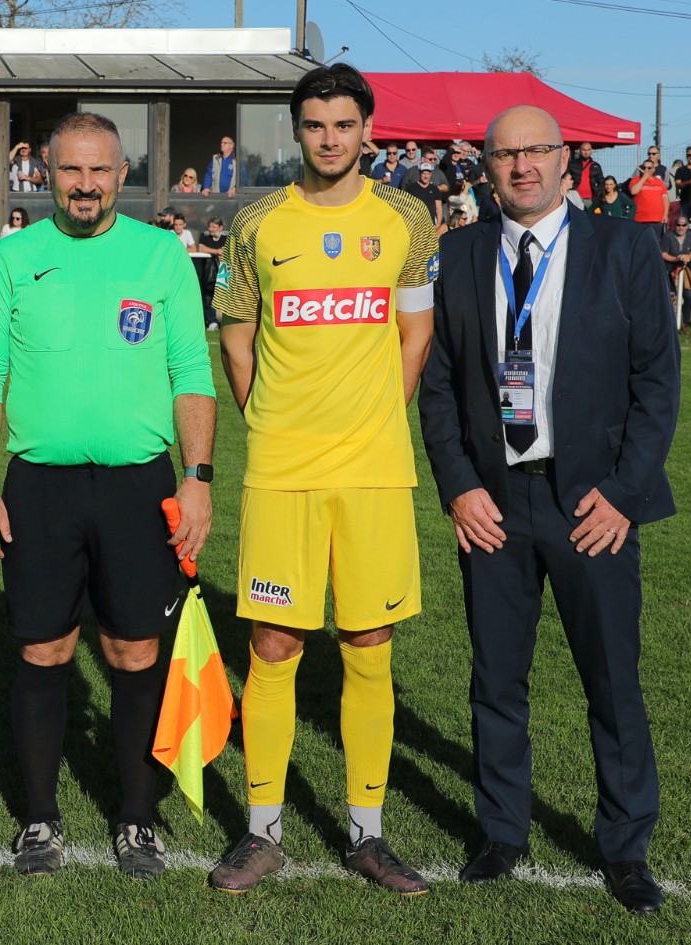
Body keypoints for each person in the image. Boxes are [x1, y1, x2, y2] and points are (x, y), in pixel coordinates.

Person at [417, 104, 680, 916]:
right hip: (494, 504)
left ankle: (625, 846)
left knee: (612, 681)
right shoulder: (461, 253)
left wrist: (625, 494)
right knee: (496, 679)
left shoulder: (623, 248)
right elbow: (437, 384)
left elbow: (657, 382)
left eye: (536, 150)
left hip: (591, 503)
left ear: (567, 160)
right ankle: (501, 833)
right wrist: (459, 485)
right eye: (505, 154)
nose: (522, 165)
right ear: (485, 168)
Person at [0, 110, 216, 881]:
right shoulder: (13, 258)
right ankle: (40, 817)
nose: (85, 184)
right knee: (44, 649)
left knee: (135, 650)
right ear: (46, 174)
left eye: (99, 169)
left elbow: (191, 372)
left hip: (140, 485)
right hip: (40, 486)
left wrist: (197, 478)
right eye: (70, 169)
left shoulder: (159, 255)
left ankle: (136, 818)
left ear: (122, 174)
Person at [209, 63, 438, 897]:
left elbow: (416, 332)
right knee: (273, 645)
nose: (330, 139)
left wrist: (375, 416)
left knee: (370, 644)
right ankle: (262, 830)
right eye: (315, 125)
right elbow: (236, 338)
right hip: (283, 470)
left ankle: (367, 835)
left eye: (344, 124)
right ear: (296, 130)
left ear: (367, 130)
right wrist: (270, 423)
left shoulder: (408, 217)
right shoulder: (256, 222)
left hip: (374, 470)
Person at [660, 217, 691, 328]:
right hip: (670, 271)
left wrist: (687, 257)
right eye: (678, 225)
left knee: (689, 297)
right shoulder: (668, 236)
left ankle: (684, 322)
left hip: (686, 272)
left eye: (683, 225)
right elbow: (663, 253)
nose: (680, 227)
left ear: (687, 226)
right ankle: (668, 323)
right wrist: (676, 259)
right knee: (670, 298)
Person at [629, 155, 671, 237]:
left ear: (653, 169)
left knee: (656, 240)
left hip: (657, 219)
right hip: (640, 219)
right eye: (644, 168)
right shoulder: (636, 180)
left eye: (649, 168)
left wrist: (665, 214)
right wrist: (644, 178)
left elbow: (665, 199)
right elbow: (633, 191)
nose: (646, 170)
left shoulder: (659, 182)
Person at [197, 216, 225, 330]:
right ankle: (212, 321)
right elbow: (201, 248)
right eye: (210, 226)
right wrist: (217, 251)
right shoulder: (205, 236)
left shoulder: (226, 237)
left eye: (214, 227)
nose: (211, 229)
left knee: (224, 296)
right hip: (209, 273)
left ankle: (225, 321)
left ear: (221, 228)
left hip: (224, 272)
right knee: (208, 296)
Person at [567, 141, 605, 209]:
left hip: (591, 199)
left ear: (591, 150)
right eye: (584, 150)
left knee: (591, 215)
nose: (586, 152)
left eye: (588, 150)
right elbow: (565, 179)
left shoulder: (596, 166)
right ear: (580, 150)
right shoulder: (572, 164)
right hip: (575, 197)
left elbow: (601, 182)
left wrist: (598, 194)